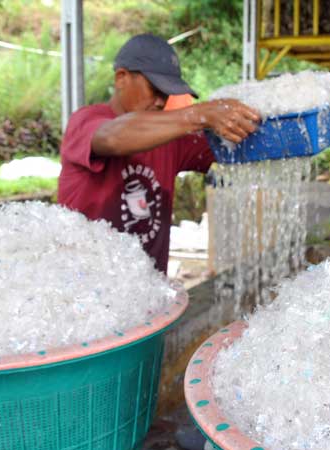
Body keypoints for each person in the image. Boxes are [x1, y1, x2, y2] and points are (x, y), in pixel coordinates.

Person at [58, 33, 260, 272]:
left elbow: (239, 146)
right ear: (121, 78)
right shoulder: (86, 120)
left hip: (146, 296)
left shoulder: (170, 139)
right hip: (85, 291)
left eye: (166, 95)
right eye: (155, 90)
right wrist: (200, 114)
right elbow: (112, 138)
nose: (160, 102)